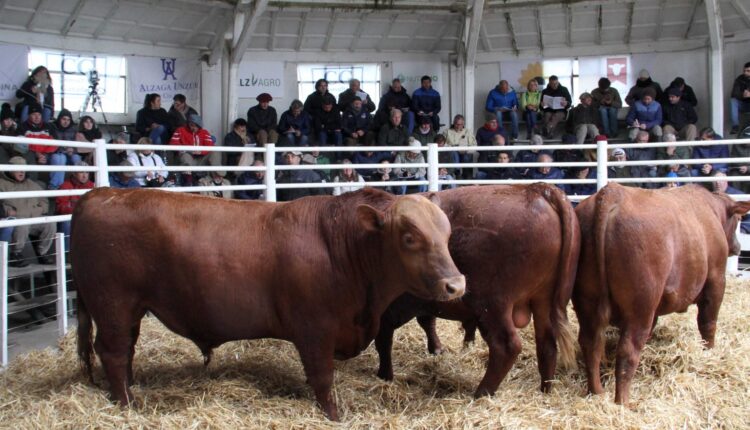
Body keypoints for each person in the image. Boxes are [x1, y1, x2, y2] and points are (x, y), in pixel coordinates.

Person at [0, 156, 55, 266]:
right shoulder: (1, 183)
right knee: (22, 223)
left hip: (32, 217)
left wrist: (39, 210)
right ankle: (15, 254)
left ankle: (42, 253)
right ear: (10, 169)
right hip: (16, 220)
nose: (21, 172)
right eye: (18, 169)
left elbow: (44, 201)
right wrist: (6, 211)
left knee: (50, 224)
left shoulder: (32, 184)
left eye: (23, 169)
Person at [16, 105, 61, 188]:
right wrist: (36, 154)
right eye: (34, 114)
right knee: (27, 155)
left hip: (47, 154)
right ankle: (30, 185)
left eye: (39, 115)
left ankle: (54, 186)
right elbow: (21, 145)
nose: (37, 117)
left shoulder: (49, 126)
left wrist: (45, 154)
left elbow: (55, 143)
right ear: (29, 115)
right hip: (32, 154)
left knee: (59, 158)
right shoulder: (22, 127)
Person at [169, 113, 219, 185]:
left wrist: (201, 151)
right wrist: (188, 150)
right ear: (188, 124)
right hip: (187, 157)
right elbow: (173, 143)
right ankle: (189, 180)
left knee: (215, 151)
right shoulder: (180, 130)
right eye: (192, 125)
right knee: (185, 156)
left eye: (196, 126)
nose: (194, 128)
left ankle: (218, 175)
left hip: (201, 159)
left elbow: (210, 145)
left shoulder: (204, 132)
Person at [56, 161, 94, 251]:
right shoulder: (65, 186)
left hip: (87, 216)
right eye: (81, 172)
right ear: (74, 173)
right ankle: (67, 253)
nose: (84, 176)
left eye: (87, 172)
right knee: (67, 223)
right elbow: (61, 207)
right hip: (72, 217)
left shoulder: (92, 186)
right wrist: (78, 209)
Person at [443, 114, 477, 179]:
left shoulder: (468, 132)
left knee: (467, 157)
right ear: (453, 123)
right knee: (454, 152)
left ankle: (466, 175)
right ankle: (457, 173)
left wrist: (466, 149)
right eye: (456, 124)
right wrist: (452, 147)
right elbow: (443, 144)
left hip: (464, 152)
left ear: (463, 124)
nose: (458, 126)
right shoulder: (447, 131)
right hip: (451, 152)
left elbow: (474, 145)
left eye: (460, 124)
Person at [730, 62, 750, 135]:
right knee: (733, 101)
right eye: (744, 71)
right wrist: (743, 95)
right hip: (743, 104)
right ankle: (735, 126)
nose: (745, 72)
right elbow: (734, 93)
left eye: (748, 71)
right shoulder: (740, 79)